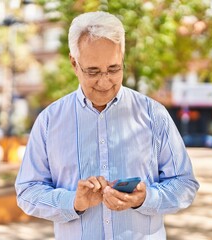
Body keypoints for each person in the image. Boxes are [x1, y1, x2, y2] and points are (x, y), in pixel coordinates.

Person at [15, 11, 199, 239]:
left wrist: (145, 198)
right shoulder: (49, 121)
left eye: (113, 69)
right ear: (74, 63)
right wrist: (73, 202)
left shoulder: (154, 115)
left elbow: (185, 184)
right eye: (93, 71)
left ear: (122, 57)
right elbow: (27, 191)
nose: (104, 82)